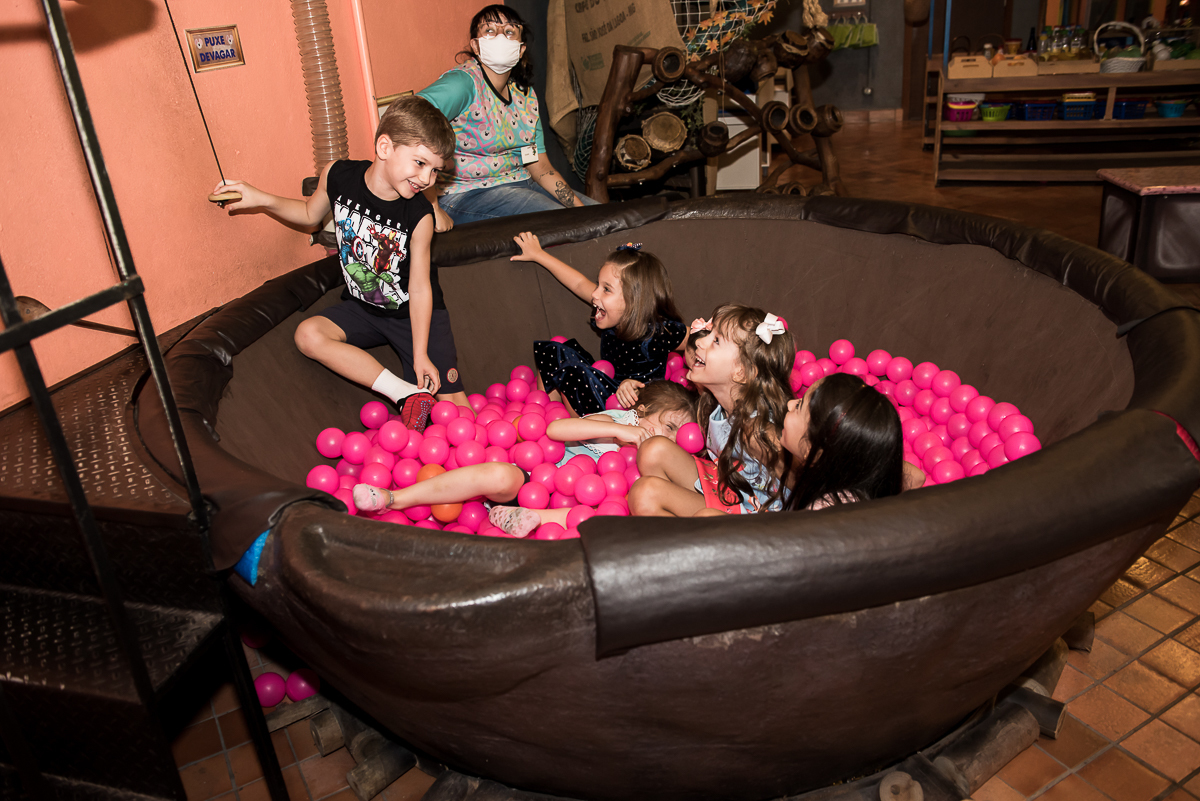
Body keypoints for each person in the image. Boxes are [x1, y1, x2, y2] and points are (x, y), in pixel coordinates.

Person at [212, 96, 468, 427]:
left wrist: (421, 354)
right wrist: (260, 198)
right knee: (309, 335)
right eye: (420, 163)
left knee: (456, 416)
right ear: (385, 147)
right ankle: (403, 394)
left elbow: (419, 289)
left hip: (413, 316)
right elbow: (308, 214)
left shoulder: (418, 216)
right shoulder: (338, 175)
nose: (427, 179)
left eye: (435, 171)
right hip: (363, 306)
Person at [352, 381, 699, 537]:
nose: (669, 439)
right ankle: (394, 498)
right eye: (667, 426)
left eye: (677, 437)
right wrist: (620, 433)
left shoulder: (657, 463)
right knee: (500, 477)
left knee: (603, 515)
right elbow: (558, 429)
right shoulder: (618, 423)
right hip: (534, 477)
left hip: (560, 509)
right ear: (640, 413)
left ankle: (524, 518)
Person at [417, 5, 598, 230]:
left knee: (601, 215)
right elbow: (410, 120)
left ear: (521, 49)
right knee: (561, 221)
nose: (501, 37)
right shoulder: (463, 84)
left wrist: (580, 207)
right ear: (475, 45)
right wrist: (432, 207)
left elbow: (539, 166)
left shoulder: (525, 95)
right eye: (490, 31)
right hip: (465, 194)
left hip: (521, 183)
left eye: (509, 31)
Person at [629, 305, 796, 516]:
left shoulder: (756, 430)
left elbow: (804, 480)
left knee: (646, 495)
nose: (700, 341)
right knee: (653, 450)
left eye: (715, 341)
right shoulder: (715, 404)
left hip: (755, 516)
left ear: (741, 372)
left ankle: (683, 541)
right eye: (709, 334)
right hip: (727, 485)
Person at [512, 233, 687, 417]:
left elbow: (696, 339)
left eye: (606, 289)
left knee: (574, 373)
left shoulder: (658, 331)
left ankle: (580, 431)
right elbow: (579, 284)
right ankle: (548, 415)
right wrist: (539, 254)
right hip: (606, 390)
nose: (595, 294)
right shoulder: (613, 312)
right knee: (552, 352)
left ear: (634, 302)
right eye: (598, 285)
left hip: (630, 410)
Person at [779, 373, 906, 511]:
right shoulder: (862, 484)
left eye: (799, 406)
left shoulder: (819, 514)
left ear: (816, 452)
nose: (790, 404)